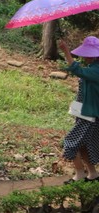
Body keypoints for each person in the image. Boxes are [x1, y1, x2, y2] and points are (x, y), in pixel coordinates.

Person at [59, 37, 99, 183]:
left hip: (91, 115)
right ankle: (93, 173)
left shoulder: (96, 70)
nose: (85, 57)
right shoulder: (93, 67)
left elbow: (76, 70)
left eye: (87, 54)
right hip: (86, 113)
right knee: (83, 144)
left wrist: (66, 51)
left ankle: (80, 174)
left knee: (70, 142)